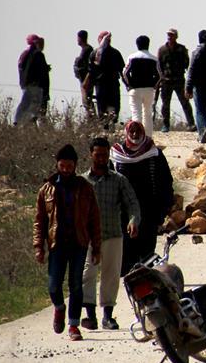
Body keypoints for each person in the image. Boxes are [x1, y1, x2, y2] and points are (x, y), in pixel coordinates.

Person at [33, 144, 102, 341]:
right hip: (57, 245)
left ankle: (73, 325)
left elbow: (94, 220)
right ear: (57, 165)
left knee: (76, 285)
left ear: (75, 166)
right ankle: (59, 308)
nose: (65, 170)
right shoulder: (46, 190)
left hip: (79, 244)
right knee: (54, 286)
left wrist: (96, 247)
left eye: (69, 166)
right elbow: (39, 221)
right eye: (62, 166)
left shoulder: (85, 188)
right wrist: (39, 246)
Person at [81, 136, 141, 331]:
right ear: (91, 155)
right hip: (89, 237)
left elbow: (132, 203)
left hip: (113, 234)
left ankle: (108, 316)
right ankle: (90, 316)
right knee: (88, 274)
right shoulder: (82, 182)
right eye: (97, 155)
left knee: (111, 275)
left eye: (104, 155)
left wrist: (133, 221)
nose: (101, 159)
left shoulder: (118, 180)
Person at [110, 121, 174, 276]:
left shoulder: (154, 154)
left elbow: (165, 183)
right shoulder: (116, 155)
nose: (134, 135)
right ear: (126, 133)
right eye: (131, 132)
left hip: (149, 212)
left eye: (138, 131)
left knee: (147, 255)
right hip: (123, 214)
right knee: (125, 256)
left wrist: (163, 210)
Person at [157, 28, 196, 133]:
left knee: (185, 102)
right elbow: (159, 65)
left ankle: (191, 124)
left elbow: (187, 62)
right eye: (168, 35)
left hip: (179, 80)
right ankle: (166, 125)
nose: (170, 37)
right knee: (165, 104)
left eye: (172, 35)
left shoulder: (181, 49)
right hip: (166, 80)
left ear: (176, 36)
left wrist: (181, 69)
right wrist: (161, 77)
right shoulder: (162, 50)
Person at [84, 30, 125, 128]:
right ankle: (106, 127)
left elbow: (122, 70)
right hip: (102, 84)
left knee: (113, 107)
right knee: (103, 108)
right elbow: (91, 71)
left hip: (111, 84)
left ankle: (110, 125)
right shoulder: (95, 53)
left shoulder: (115, 53)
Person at [123, 35, 162, 138]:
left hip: (135, 89)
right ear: (148, 44)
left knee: (136, 113)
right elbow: (159, 75)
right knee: (148, 113)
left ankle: (137, 137)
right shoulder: (154, 59)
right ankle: (148, 137)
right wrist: (154, 86)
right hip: (149, 89)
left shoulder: (132, 57)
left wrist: (129, 85)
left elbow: (125, 73)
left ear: (137, 45)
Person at [13, 34, 50, 125]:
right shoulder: (37, 54)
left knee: (26, 104)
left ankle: (19, 122)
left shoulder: (26, 54)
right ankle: (21, 123)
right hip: (35, 85)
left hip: (27, 84)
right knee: (33, 106)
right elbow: (37, 70)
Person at [73, 30, 96, 118]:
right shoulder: (85, 49)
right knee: (86, 101)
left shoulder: (87, 49)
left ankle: (92, 120)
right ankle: (90, 118)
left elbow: (89, 66)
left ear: (80, 38)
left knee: (87, 101)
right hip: (83, 79)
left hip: (86, 80)